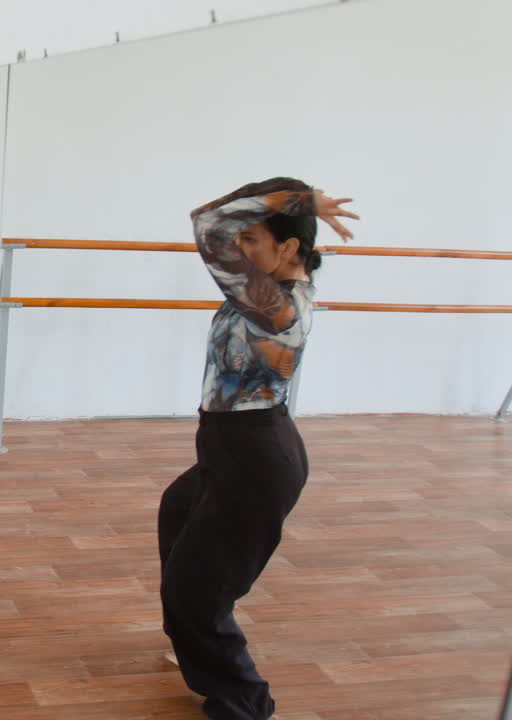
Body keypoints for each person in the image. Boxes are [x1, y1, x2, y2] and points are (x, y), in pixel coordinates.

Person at [158, 177, 358, 719]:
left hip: (255, 461)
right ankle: (192, 640)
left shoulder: (277, 310)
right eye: (242, 243)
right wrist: (290, 192)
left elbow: (208, 227)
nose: (240, 251)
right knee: (177, 514)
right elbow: (210, 214)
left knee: (199, 591)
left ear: (289, 248)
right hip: (232, 449)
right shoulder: (266, 294)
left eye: (253, 242)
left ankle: (246, 700)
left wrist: (299, 203)